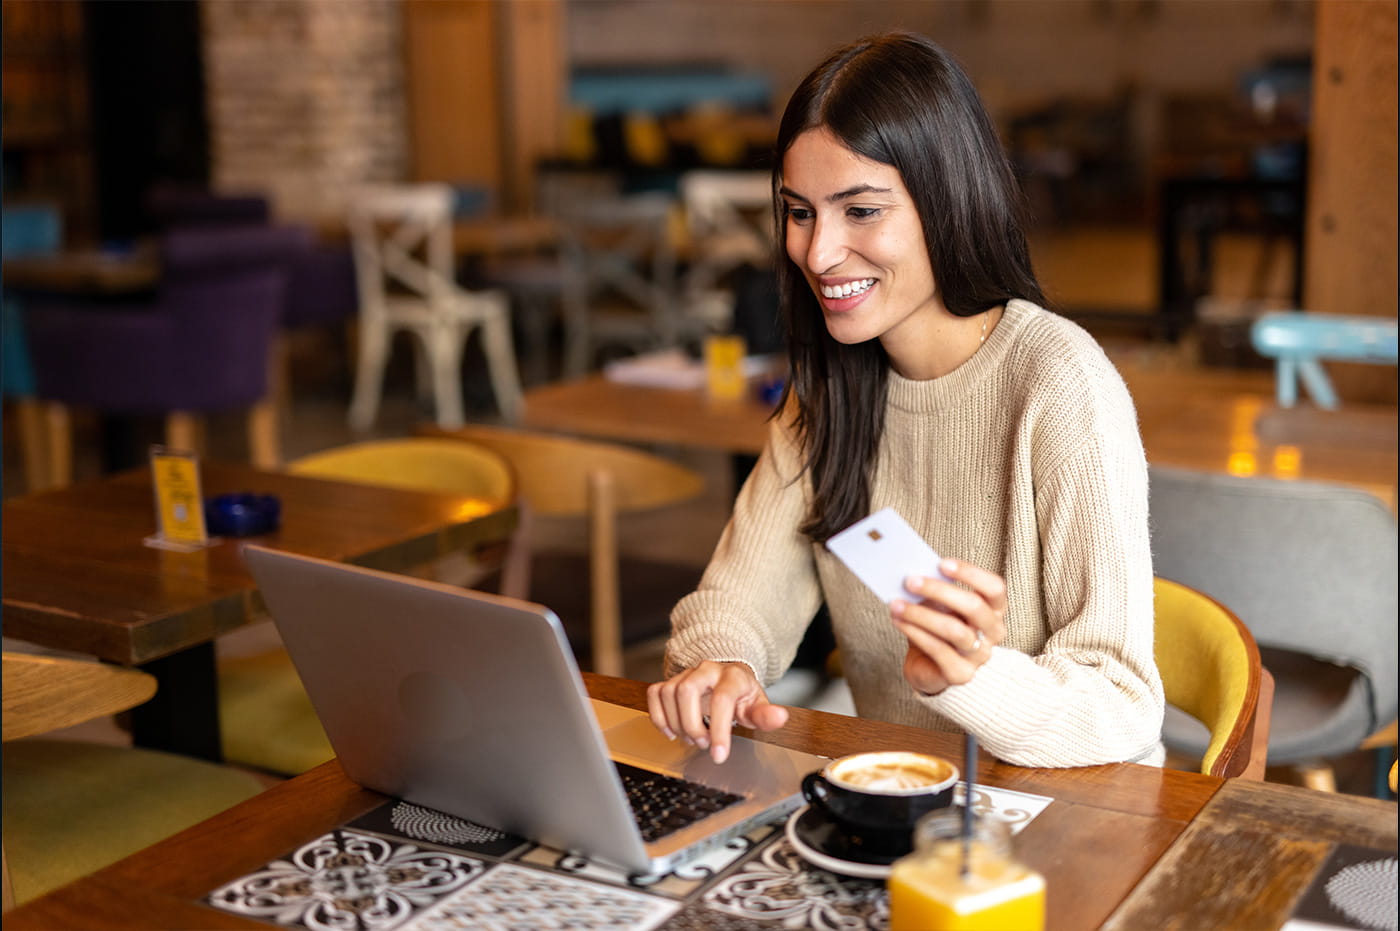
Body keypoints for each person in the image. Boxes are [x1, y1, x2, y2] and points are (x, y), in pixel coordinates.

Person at [647, 31, 1164, 769]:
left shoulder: (1060, 383)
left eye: (860, 210)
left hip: (1070, 816)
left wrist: (973, 675)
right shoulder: (827, 390)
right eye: (799, 212)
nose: (817, 252)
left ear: (946, 200)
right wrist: (721, 662)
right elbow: (738, 602)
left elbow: (1121, 706)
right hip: (899, 802)